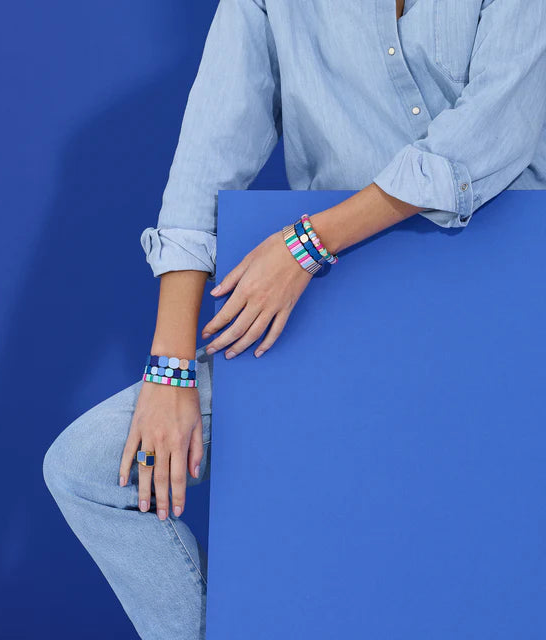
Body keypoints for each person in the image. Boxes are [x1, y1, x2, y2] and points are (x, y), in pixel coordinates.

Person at [43, 0, 546, 637]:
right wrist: (168, 370)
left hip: (508, 306)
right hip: (334, 305)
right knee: (86, 467)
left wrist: (307, 243)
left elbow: (489, 134)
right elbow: (204, 163)